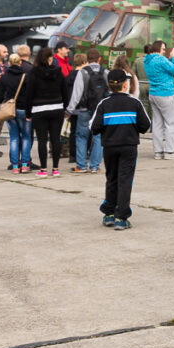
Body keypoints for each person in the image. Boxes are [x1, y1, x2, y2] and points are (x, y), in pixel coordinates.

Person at [90, 68, 150, 230]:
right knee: (125, 180)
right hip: (129, 146)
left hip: (109, 146)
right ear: (125, 85)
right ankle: (121, 217)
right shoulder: (134, 103)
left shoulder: (104, 104)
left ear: (109, 86)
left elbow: (94, 127)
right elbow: (146, 125)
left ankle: (109, 213)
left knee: (111, 178)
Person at [26, 47, 69, 177]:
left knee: (42, 140)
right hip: (57, 108)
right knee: (56, 139)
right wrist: (65, 108)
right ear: (51, 58)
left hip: (39, 110)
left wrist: (28, 113)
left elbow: (29, 94)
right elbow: (65, 92)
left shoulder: (33, 73)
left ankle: (43, 169)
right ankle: (55, 169)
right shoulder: (59, 72)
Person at [65, 48, 107, 174]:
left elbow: (76, 95)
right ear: (99, 58)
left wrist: (69, 110)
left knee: (81, 137)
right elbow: (109, 92)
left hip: (84, 110)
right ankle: (95, 166)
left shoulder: (82, 73)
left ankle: (81, 166)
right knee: (98, 137)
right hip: (100, 110)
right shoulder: (105, 72)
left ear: (87, 59)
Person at [144, 40, 174, 160]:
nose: (165, 51)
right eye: (164, 48)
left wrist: (169, 59)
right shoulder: (160, 59)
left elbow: (164, 70)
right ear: (160, 48)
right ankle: (169, 152)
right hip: (166, 93)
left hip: (154, 93)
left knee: (157, 124)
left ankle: (158, 151)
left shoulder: (147, 60)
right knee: (172, 123)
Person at [0, 53, 33, 172]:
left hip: (10, 110)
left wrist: (7, 99)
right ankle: (25, 165)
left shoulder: (4, 77)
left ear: (9, 63)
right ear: (20, 63)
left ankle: (15, 167)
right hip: (24, 109)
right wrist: (29, 112)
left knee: (14, 137)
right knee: (26, 137)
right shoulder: (25, 76)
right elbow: (30, 96)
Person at [65, 53, 86, 165]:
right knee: (85, 132)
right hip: (83, 107)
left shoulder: (69, 76)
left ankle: (72, 155)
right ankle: (84, 153)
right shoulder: (84, 75)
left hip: (72, 109)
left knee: (73, 132)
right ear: (84, 62)